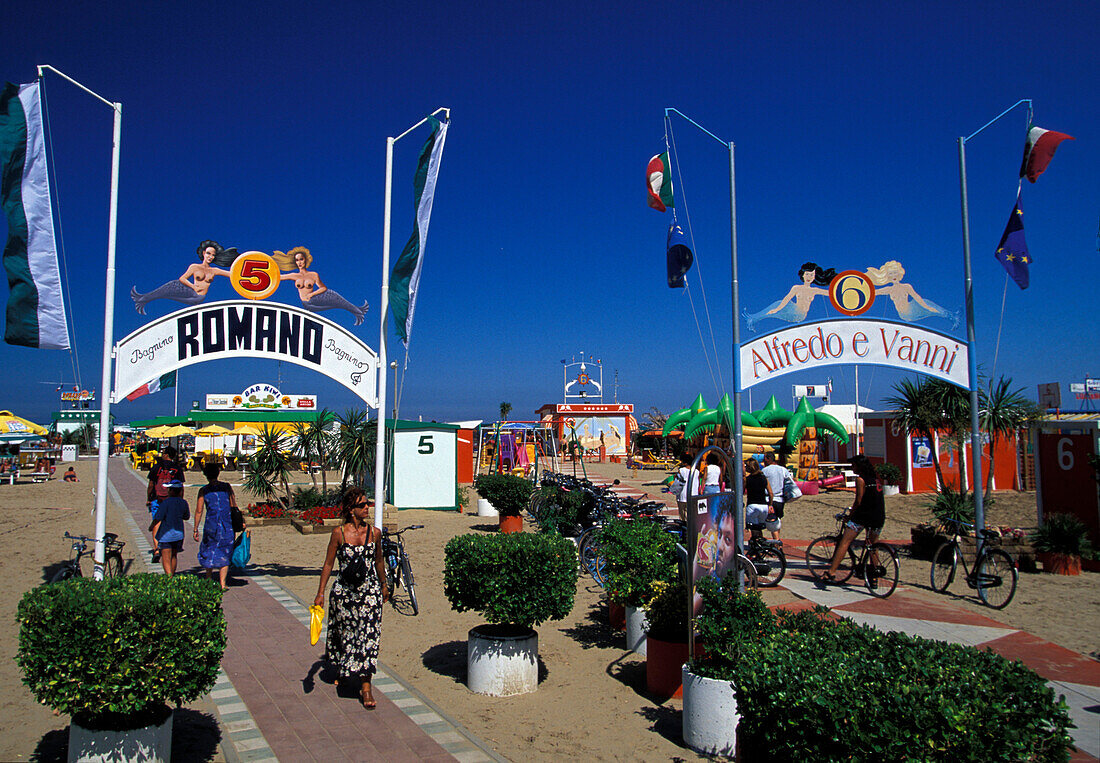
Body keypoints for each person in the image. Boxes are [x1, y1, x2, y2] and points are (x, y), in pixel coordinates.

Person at [314, 488, 389, 709]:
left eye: (368, 504)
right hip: (345, 594)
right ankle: (344, 668)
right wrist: (320, 592)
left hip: (369, 594)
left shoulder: (374, 533)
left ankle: (366, 687)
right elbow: (328, 564)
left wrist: (384, 586)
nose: (367, 508)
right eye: (362, 505)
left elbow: (379, 561)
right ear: (351, 510)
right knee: (346, 635)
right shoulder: (338, 533)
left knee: (368, 638)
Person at [820, 455, 886, 586]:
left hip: (863, 516)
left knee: (845, 542)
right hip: (878, 516)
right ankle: (874, 577)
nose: (852, 468)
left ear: (859, 467)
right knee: (873, 546)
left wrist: (850, 516)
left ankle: (831, 572)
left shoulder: (860, 480)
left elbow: (858, 501)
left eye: (854, 466)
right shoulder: (876, 479)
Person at [131, 240, 236, 314]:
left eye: (213, 255)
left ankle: (142, 298)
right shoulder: (195, 267)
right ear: (204, 253)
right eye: (208, 253)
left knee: (170, 290)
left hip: (199, 297)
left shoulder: (214, 270)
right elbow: (182, 278)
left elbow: (231, 274)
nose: (210, 257)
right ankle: (143, 298)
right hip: (193, 293)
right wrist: (193, 287)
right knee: (172, 287)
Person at [274, 246, 369, 325]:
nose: (299, 262)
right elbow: (279, 277)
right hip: (307, 304)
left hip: (314, 299)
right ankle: (358, 311)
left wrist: (312, 294)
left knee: (334, 297)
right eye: (297, 260)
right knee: (335, 302)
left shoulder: (313, 275)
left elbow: (323, 288)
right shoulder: (294, 275)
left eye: (301, 259)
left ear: (305, 260)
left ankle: (358, 311)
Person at [744, 261, 837, 331]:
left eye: (812, 275)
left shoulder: (814, 290)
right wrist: (777, 309)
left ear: (814, 277)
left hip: (801, 315)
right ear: (803, 275)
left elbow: (830, 293)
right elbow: (787, 298)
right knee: (778, 304)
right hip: (794, 311)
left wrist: (839, 284)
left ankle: (753, 318)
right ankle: (753, 319)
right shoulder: (796, 288)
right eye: (807, 274)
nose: (809, 277)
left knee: (778, 306)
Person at [865, 260, 959, 329]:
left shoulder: (906, 286)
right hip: (904, 315)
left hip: (911, 310)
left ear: (899, 274)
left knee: (928, 305)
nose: (893, 276)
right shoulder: (889, 289)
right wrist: (862, 287)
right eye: (890, 274)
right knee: (930, 308)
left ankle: (952, 316)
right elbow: (874, 292)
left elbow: (916, 297)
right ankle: (951, 316)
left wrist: (927, 307)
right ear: (887, 276)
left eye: (895, 273)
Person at [193, 462, 242, 591]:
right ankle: (222, 582)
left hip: (211, 524)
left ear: (205, 475)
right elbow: (234, 505)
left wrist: (195, 528)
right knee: (225, 551)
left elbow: (199, 511)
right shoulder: (226, 487)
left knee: (209, 549)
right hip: (226, 524)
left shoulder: (203, 490)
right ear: (218, 473)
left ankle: (208, 579)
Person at [147, 446, 185, 562]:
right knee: (171, 523)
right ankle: (172, 545)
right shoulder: (177, 468)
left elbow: (151, 485)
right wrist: (180, 500)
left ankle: (157, 548)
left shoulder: (157, 467)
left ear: (166, 455)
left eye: (163, 453)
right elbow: (181, 486)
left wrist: (149, 498)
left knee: (157, 521)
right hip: (172, 500)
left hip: (157, 499)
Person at [149, 480, 190, 576]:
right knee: (174, 556)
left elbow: (158, 517)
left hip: (166, 534)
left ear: (170, 491)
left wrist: (151, 527)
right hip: (179, 534)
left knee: (165, 557)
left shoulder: (166, 503)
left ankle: (169, 577)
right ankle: (172, 574)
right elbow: (186, 516)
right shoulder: (183, 503)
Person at [760, 452, 787, 540]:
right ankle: (777, 541)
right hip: (780, 499)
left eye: (764, 458)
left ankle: (777, 543)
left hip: (769, 499)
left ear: (768, 459)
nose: (763, 460)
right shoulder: (783, 469)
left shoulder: (765, 471)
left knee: (772, 522)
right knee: (777, 522)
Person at [743, 458, 774, 527]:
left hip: (752, 505)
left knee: (752, 527)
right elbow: (771, 493)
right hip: (763, 505)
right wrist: (770, 505)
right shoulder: (763, 478)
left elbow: (742, 492)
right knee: (760, 527)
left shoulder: (747, 479)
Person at [674, 452, 698, 521]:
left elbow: (676, 479)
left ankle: (684, 528)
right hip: (693, 495)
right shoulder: (696, 471)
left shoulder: (681, 470)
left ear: (684, 463)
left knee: (683, 515)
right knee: (691, 515)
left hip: (682, 495)